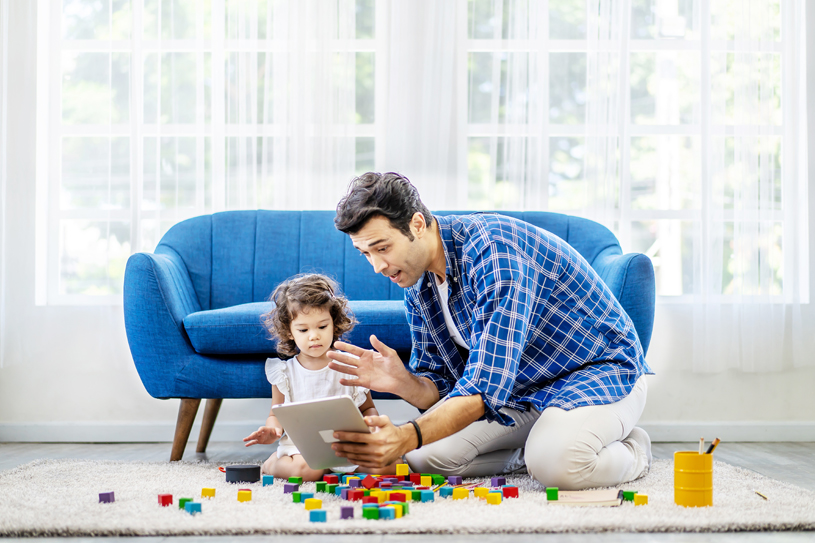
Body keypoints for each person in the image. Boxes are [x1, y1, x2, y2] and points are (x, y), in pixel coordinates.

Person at [326, 172, 654, 490]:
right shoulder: (417, 281)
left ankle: (633, 449)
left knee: (557, 465)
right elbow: (443, 386)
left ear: (417, 224)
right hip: (520, 391)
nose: (377, 266)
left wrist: (405, 435)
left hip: (597, 373)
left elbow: (482, 390)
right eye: (366, 253)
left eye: (382, 248)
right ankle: (544, 447)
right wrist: (404, 384)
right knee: (425, 457)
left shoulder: (493, 252)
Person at [243, 273, 397, 481]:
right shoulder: (284, 373)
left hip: (348, 444)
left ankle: (333, 469)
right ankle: (272, 464)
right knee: (309, 471)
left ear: (334, 324)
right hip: (302, 448)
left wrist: (373, 423)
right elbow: (276, 414)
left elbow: (367, 408)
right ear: (289, 332)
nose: (314, 335)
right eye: (303, 329)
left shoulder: (350, 365)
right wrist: (272, 430)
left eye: (322, 326)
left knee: (391, 466)